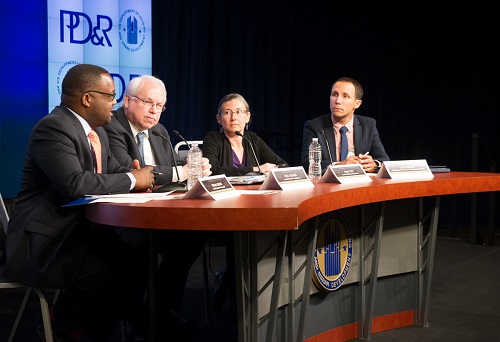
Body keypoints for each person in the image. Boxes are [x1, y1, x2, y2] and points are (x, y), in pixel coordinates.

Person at [1, 64, 155, 341]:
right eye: (110, 96)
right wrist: (132, 179)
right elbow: (75, 184)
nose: (115, 103)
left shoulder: (99, 133)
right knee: (107, 273)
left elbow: (116, 171)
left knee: (138, 258)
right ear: (87, 98)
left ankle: (88, 330)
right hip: (46, 242)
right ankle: (63, 327)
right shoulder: (53, 127)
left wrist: (130, 174)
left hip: (81, 233)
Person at [103, 74, 212, 338]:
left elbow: (170, 171)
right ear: (127, 100)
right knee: (140, 247)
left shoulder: (160, 132)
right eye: (148, 103)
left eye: (160, 105)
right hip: (120, 218)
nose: (155, 111)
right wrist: (180, 173)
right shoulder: (112, 127)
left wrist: (196, 171)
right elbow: (129, 173)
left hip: (157, 211)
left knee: (193, 236)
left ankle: (157, 312)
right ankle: (142, 317)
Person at [202, 93, 288, 312]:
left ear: (248, 117)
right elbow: (213, 171)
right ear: (218, 118)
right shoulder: (213, 139)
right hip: (223, 208)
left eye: (239, 112)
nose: (234, 118)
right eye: (227, 112)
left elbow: (281, 164)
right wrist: (256, 170)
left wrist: (272, 168)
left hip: (253, 206)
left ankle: (237, 287)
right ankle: (236, 293)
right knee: (237, 238)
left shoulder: (252, 140)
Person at [301, 77, 389, 174]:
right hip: (329, 185)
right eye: (334, 94)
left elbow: (383, 159)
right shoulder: (314, 126)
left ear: (357, 103)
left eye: (345, 96)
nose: (337, 101)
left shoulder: (368, 125)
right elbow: (307, 162)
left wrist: (374, 165)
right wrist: (339, 165)